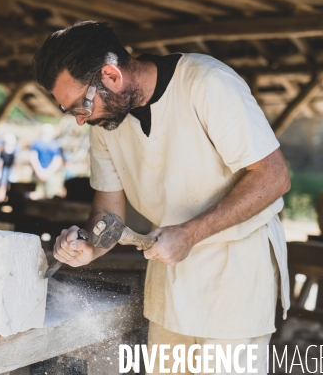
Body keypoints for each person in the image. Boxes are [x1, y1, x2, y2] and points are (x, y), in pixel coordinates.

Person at [33, 21, 291, 374]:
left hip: (236, 273)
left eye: (80, 106)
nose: (80, 121)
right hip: (169, 276)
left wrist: (190, 233)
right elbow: (107, 211)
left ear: (110, 76)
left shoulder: (206, 83)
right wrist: (90, 245)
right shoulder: (105, 123)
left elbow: (273, 176)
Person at [29, 124, 63, 199]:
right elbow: (33, 157)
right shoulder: (53, 144)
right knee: (46, 196)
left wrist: (43, 172)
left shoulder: (52, 144)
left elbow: (57, 160)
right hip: (43, 174)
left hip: (45, 174)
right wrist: (43, 172)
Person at [0, 133, 17, 202]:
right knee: (2, 185)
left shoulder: (13, 151)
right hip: (3, 170)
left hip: (9, 170)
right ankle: (1, 199)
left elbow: (14, 163)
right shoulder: (2, 151)